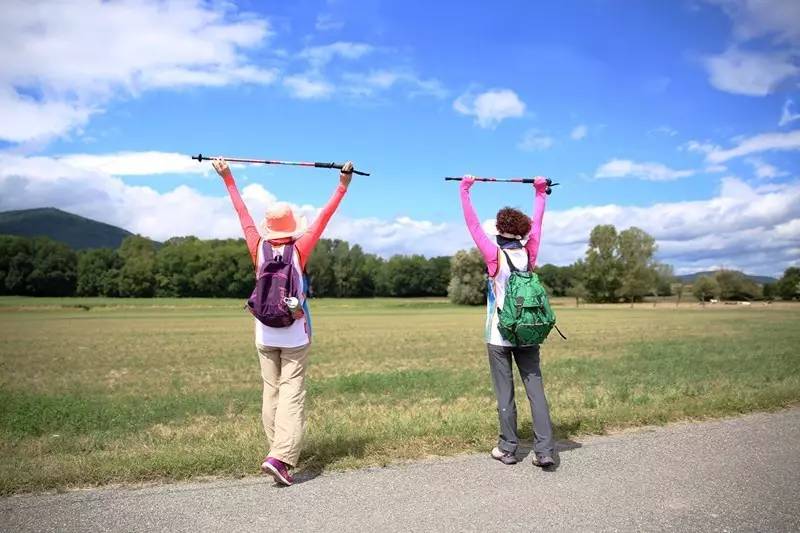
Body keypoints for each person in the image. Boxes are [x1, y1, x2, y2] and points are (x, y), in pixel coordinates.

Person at [213, 157, 353, 486]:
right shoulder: (301, 247)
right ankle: (280, 457)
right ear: (292, 226)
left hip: (263, 331)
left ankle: (276, 452)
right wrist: (342, 185)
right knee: (292, 394)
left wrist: (228, 177)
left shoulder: (256, 245)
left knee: (271, 393)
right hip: (294, 333)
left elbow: (242, 213)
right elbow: (324, 217)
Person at [459, 175, 556, 467]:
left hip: (499, 337)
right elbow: (538, 223)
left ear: (499, 230)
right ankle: (544, 451)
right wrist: (541, 193)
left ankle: (508, 448)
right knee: (535, 391)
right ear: (522, 232)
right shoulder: (530, 253)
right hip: (529, 334)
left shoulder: (493, 256)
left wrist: (465, 189)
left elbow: (473, 225)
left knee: (506, 394)